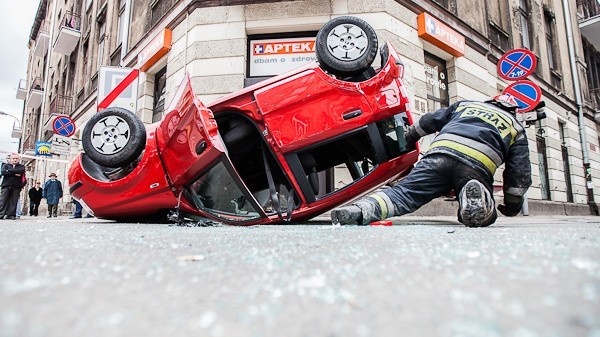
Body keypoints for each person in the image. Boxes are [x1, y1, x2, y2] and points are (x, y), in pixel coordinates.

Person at [331, 95, 533, 227]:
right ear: (512, 110)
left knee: (404, 194)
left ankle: (361, 210)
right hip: (475, 166)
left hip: (438, 155)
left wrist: (408, 138)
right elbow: (518, 176)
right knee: (474, 213)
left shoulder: (466, 105)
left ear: (490, 102)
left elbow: (429, 121)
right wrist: (512, 206)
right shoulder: (516, 127)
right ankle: (476, 200)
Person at [0, 154, 26, 220]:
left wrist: (9, 171)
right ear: (10, 159)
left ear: (19, 159)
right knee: (3, 200)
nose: (15, 160)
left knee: (14, 201)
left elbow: (21, 171)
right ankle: (1, 214)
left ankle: (11, 215)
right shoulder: (5, 165)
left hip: (16, 186)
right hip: (6, 186)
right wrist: (15, 173)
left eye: (16, 158)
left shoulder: (21, 166)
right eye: (13, 158)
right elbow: (3, 172)